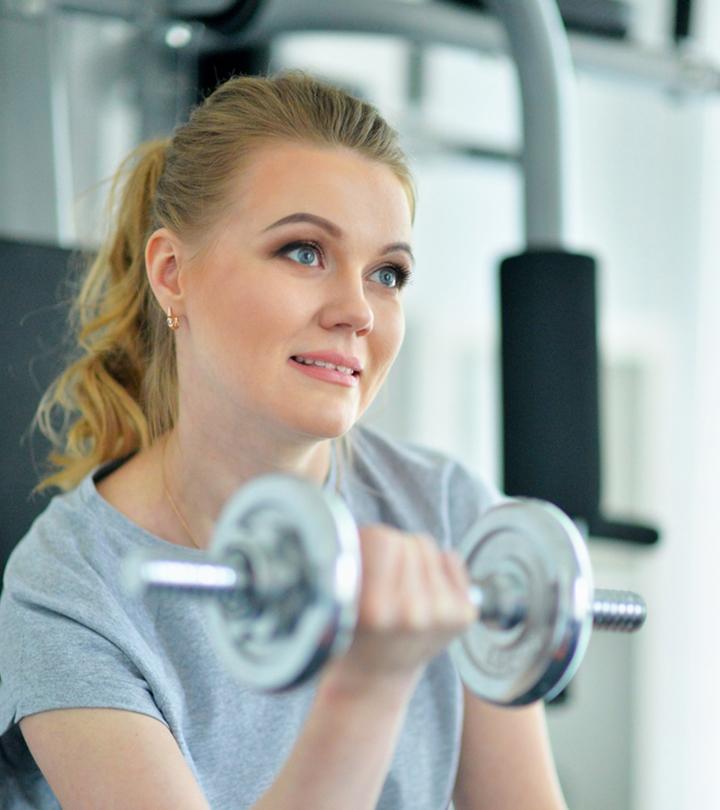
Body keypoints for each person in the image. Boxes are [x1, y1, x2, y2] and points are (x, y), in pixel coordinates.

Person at [0, 70, 567, 809]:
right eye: (304, 252)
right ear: (173, 274)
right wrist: (367, 685)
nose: (358, 311)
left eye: (387, 273)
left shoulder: (452, 515)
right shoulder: (70, 592)